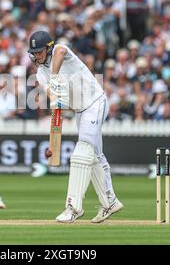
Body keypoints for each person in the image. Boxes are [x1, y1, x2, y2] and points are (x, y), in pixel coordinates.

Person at [27, 30, 123, 223]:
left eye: (39, 51)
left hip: (94, 102)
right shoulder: (39, 73)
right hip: (80, 111)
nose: (36, 55)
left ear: (48, 47)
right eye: (34, 52)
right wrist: (55, 102)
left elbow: (60, 52)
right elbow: (54, 98)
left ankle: (73, 207)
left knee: (81, 153)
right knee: (94, 156)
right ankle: (110, 201)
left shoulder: (61, 51)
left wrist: (54, 77)